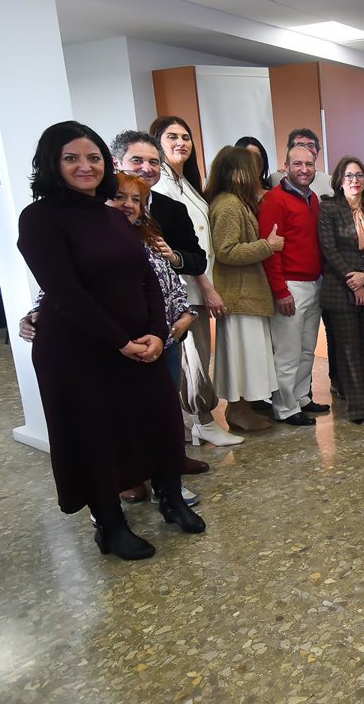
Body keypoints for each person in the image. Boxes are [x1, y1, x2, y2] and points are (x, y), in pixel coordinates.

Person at [17, 121, 204, 561]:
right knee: (96, 435)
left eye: (93, 157)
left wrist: (156, 333)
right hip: (80, 350)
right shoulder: (40, 218)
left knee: (159, 422)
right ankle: (110, 525)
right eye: (71, 158)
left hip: (139, 344)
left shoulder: (111, 215)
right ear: (51, 163)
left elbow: (147, 279)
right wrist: (121, 341)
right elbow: (66, 293)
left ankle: (171, 500)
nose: (85, 166)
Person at [106, 172, 199, 504]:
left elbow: (172, 285)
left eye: (136, 200)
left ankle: (168, 479)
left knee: (163, 414)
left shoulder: (149, 238)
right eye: (120, 197)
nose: (128, 205)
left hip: (165, 339)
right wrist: (34, 316)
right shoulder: (93, 241)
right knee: (125, 416)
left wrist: (186, 316)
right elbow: (64, 291)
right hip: (122, 344)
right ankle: (130, 476)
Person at [149, 116, 239, 450]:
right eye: (172, 137)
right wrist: (207, 286)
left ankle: (192, 423)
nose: (181, 143)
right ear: (157, 142)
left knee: (196, 356)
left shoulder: (185, 182)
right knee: (194, 358)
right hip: (183, 288)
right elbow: (179, 245)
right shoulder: (158, 187)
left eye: (186, 137)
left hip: (197, 280)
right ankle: (202, 421)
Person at [206, 146, 283, 434]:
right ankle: (237, 410)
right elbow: (226, 251)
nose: (255, 175)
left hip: (246, 294)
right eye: (250, 169)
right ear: (234, 172)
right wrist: (267, 246)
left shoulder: (237, 201)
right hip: (240, 296)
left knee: (247, 358)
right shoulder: (228, 204)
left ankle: (242, 408)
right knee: (241, 358)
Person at [318, 156, 364, 423]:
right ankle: (357, 406)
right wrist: (354, 281)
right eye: (349, 176)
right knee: (348, 349)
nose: (354, 180)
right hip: (340, 289)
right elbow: (329, 249)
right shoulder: (329, 208)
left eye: (359, 175)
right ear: (339, 180)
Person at [259, 143, 326, 427]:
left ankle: (301, 398)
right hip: (291, 286)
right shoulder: (274, 200)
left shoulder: (313, 199)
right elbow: (270, 250)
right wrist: (280, 290)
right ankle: (285, 407)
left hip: (314, 283)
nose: (304, 169)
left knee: (307, 349)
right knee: (287, 353)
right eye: (297, 164)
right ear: (286, 166)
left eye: (309, 164)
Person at [268, 128, 333, 198]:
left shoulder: (330, 181)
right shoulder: (275, 179)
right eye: (300, 145)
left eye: (310, 145)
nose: (305, 149)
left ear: (317, 152)